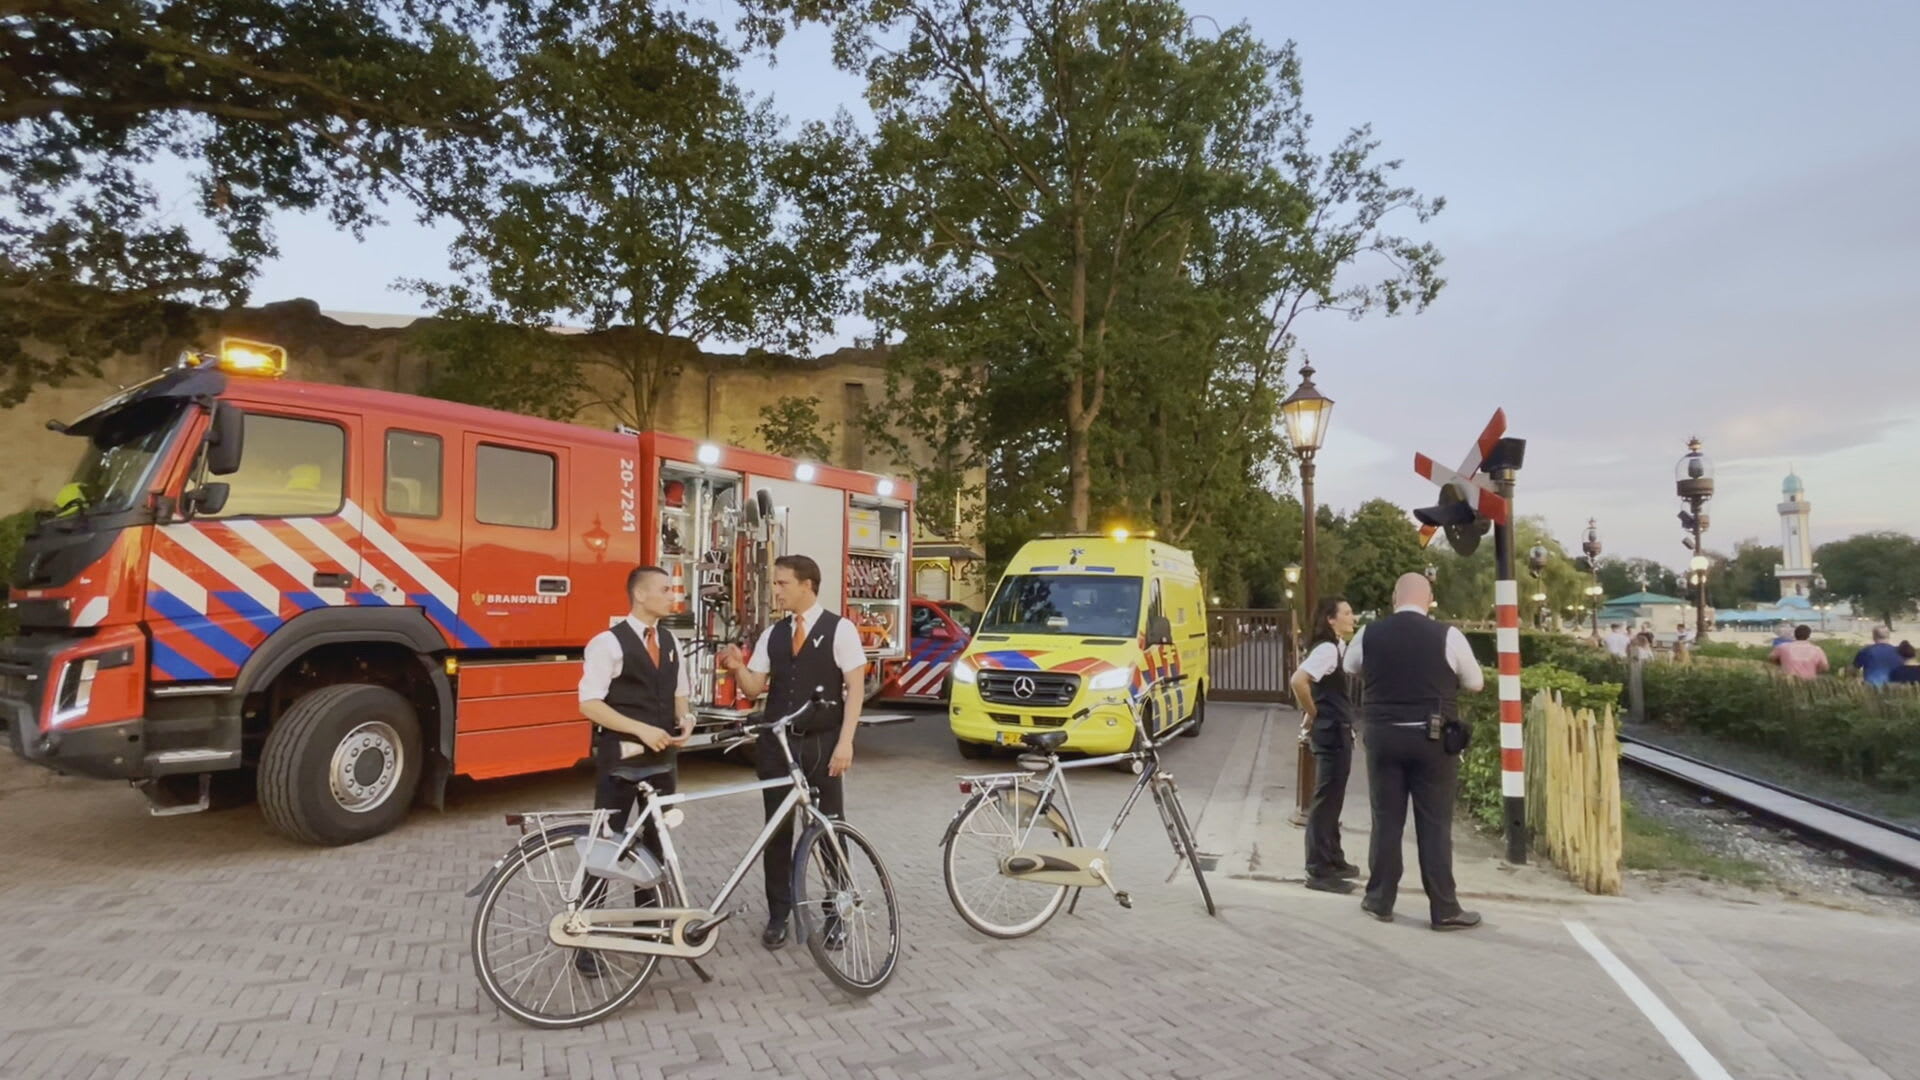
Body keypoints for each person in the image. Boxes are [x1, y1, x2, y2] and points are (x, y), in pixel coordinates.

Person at [718, 554, 867, 951]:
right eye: (776, 584)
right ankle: (778, 913)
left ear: (808, 585)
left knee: (829, 828)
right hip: (777, 746)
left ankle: (838, 909)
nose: (776, 591)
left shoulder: (841, 630)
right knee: (776, 831)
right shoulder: (774, 634)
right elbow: (754, 689)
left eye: (783, 583)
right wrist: (737, 666)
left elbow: (855, 690)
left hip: (821, 743)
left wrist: (846, 741)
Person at [1342, 573, 1485, 931]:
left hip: (1383, 736)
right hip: (1432, 740)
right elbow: (1475, 682)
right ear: (1429, 598)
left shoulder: (1369, 633)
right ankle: (1444, 908)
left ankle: (1379, 900)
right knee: (1435, 824)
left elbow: (1349, 667)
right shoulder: (1447, 635)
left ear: (1394, 598)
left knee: (1386, 820)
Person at [575, 565, 693, 975]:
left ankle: (648, 930)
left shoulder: (671, 641)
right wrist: (640, 727)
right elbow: (590, 703)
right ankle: (584, 938)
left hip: (662, 761)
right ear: (640, 595)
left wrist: (686, 719)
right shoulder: (607, 643)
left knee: (655, 847)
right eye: (664, 589)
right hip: (621, 760)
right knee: (606, 848)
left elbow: (679, 692)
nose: (671, 596)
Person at [1288, 597, 1360, 893]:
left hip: (1336, 730)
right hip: (1331, 731)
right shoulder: (1328, 650)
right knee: (1326, 801)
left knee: (1333, 799)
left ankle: (1333, 857)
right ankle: (1318, 869)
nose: (1352, 616)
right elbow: (1298, 681)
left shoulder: (1337, 647)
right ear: (1331, 619)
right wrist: (1315, 712)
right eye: (1346, 612)